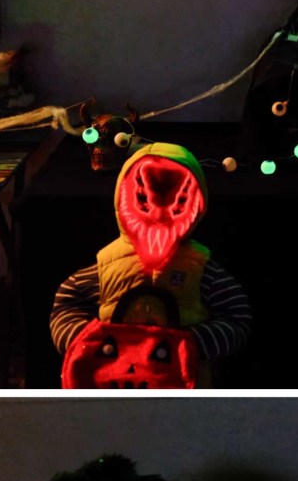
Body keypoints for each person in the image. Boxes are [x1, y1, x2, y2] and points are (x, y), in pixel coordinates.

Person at [50, 142, 251, 386]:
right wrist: (85, 340)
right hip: (109, 383)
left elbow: (237, 317)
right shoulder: (106, 265)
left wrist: (192, 344)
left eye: (178, 200)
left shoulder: (201, 268)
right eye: (143, 199)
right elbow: (66, 306)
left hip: (183, 385)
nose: (158, 212)